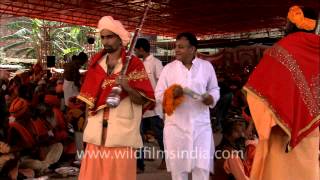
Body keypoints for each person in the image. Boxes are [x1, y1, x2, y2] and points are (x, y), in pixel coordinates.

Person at [244, 6, 320, 180]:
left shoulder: (279, 50)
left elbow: (257, 92)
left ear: (291, 23)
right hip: (312, 130)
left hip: (280, 130)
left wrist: (258, 123)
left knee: (279, 172)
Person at [77, 16, 155, 180]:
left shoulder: (134, 65)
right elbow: (88, 100)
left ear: (120, 39)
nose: (106, 41)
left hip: (121, 135)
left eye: (110, 37)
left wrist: (127, 87)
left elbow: (143, 101)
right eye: (103, 37)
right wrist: (86, 127)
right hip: (96, 135)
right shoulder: (96, 64)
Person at [155, 32, 220, 180]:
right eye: (176, 46)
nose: (176, 50)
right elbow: (158, 95)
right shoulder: (168, 69)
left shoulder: (206, 67)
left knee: (201, 169)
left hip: (200, 126)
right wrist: (172, 94)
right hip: (176, 127)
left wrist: (211, 98)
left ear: (192, 49)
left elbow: (215, 89)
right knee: (179, 171)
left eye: (181, 47)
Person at [134, 38, 165, 171]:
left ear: (141, 49)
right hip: (139, 106)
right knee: (137, 134)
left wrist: (155, 100)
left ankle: (166, 159)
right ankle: (139, 164)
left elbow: (163, 84)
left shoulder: (156, 63)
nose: (135, 52)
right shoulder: (136, 63)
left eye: (136, 49)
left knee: (159, 134)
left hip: (154, 106)